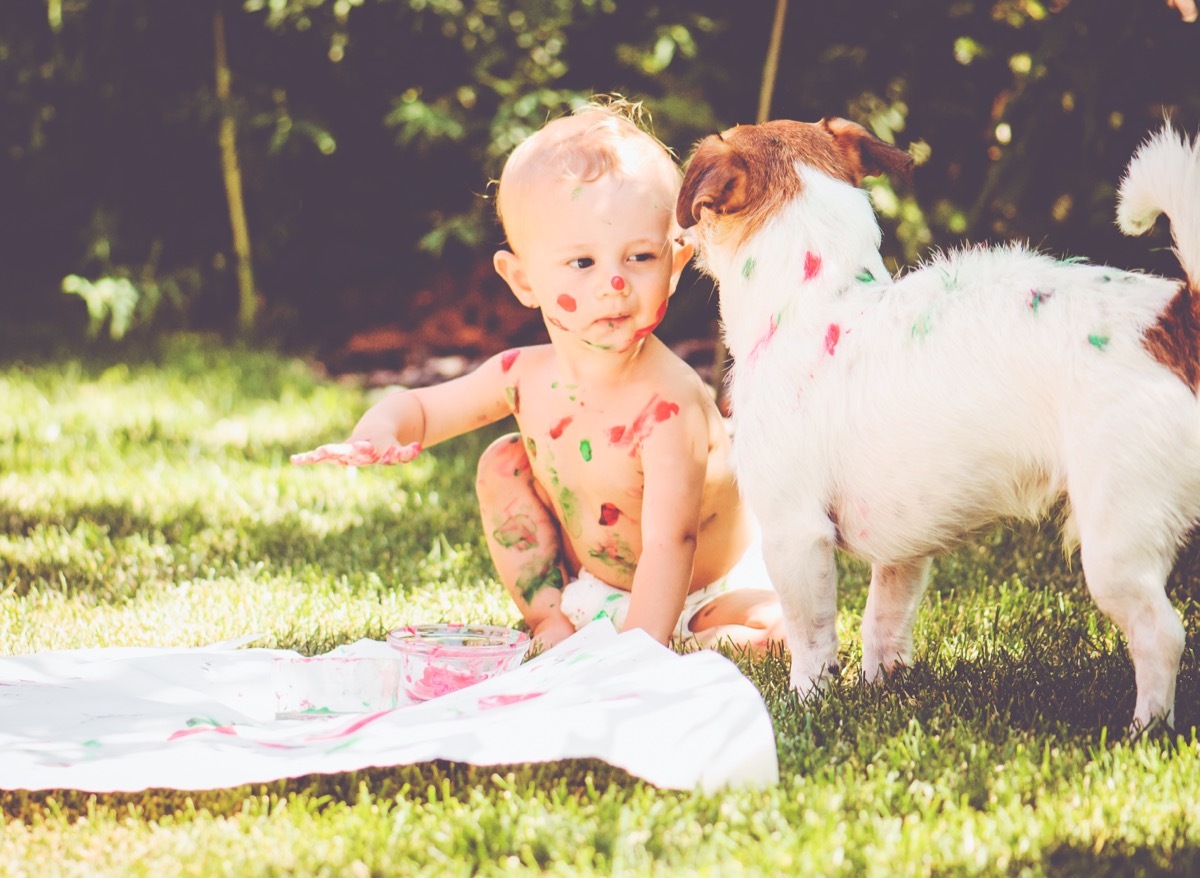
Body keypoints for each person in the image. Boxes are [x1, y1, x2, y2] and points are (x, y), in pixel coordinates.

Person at [292, 99, 785, 653]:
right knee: (503, 460)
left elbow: (675, 541)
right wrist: (379, 430)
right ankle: (550, 620)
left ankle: (682, 640)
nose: (615, 284)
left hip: (701, 584)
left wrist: (635, 655)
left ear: (674, 265)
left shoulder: (668, 404)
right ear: (523, 280)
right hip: (596, 586)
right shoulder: (522, 376)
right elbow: (426, 410)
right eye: (583, 263)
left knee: (781, 625)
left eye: (640, 257)